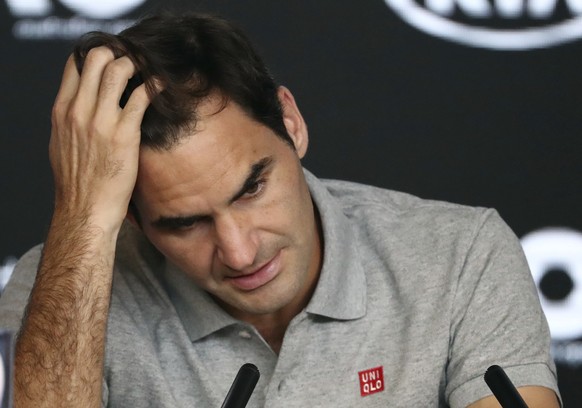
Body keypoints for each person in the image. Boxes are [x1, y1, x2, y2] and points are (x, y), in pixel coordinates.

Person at [0, 11, 561, 408]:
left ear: (290, 124)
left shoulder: (462, 256)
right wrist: (84, 218)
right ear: (128, 214)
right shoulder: (55, 290)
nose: (240, 251)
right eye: (184, 223)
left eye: (251, 188)